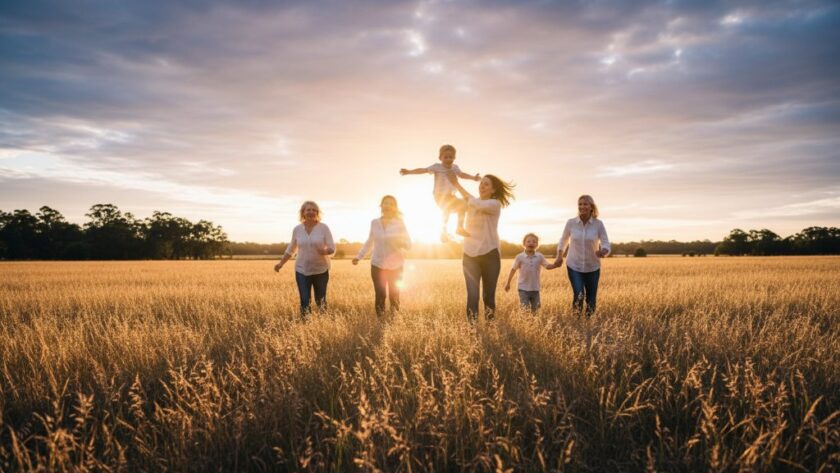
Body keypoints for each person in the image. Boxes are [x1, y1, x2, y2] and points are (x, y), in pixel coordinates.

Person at [447, 172, 515, 323]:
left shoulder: (494, 205)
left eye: (486, 184)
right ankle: (473, 330)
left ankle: (490, 325)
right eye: (481, 183)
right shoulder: (471, 201)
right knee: (472, 295)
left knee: (488, 296)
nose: (482, 186)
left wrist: (457, 184)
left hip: (490, 254)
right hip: (469, 255)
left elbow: (475, 203)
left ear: (493, 190)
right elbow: (456, 205)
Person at [400, 144, 481, 242]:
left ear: (454, 158)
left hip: (451, 195)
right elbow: (423, 170)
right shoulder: (436, 167)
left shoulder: (455, 168)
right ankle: (443, 232)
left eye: (451, 157)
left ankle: (459, 228)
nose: (448, 159)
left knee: (463, 204)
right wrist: (409, 172)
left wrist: (473, 178)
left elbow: (462, 175)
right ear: (440, 158)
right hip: (439, 196)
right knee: (446, 209)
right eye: (445, 157)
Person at [353, 195, 412, 316]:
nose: (388, 205)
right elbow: (369, 241)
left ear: (395, 207)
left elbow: (409, 244)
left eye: (391, 204)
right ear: (381, 206)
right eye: (385, 203)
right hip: (377, 264)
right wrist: (359, 256)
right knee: (380, 294)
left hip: (396, 265)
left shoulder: (399, 223)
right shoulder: (374, 223)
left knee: (394, 294)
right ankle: (380, 322)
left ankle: (394, 320)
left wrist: (400, 242)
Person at [274, 201, 335, 318]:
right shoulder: (297, 229)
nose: (311, 212)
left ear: (317, 213)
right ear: (303, 212)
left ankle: (324, 324)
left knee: (320, 301)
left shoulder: (323, 228)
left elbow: (332, 248)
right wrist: (280, 263)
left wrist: (325, 251)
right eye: (308, 210)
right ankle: (306, 326)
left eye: (314, 210)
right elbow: (291, 249)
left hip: (320, 270)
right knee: (304, 301)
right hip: (302, 270)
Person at [553, 195, 610, 316]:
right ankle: (576, 322)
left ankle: (588, 325)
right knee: (579, 295)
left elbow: (605, 243)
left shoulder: (598, 224)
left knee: (591, 299)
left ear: (591, 207)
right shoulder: (571, 223)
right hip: (574, 265)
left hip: (592, 266)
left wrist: (603, 251)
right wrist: (559, 255)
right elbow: (563, 241)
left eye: (585, 204)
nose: (582, 206)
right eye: (580, 204)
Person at [504, 233, 557, 312]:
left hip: (535, 288)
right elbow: (513, 269)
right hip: (523, 288)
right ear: (524, 244)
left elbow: (547, 266)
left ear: (537, 245)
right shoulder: (520, 257)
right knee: (524, 309)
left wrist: (556, 264)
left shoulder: (539, 256)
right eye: (528, 241)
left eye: (534, 242)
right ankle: (525, 324)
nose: (531, 243)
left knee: (536, 310)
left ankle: (533, 324)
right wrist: (508, 283)